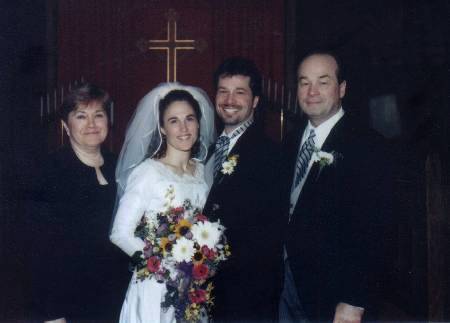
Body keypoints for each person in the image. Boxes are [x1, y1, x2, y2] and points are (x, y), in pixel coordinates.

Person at [280, 51, 392, 323]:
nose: (312, 91)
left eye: (323, 81)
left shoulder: (367, 145)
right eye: (304, 82)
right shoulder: (288, 141)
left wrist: (354, 300)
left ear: (342, 88)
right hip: (284, 286)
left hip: (333, 295)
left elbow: (376, 230)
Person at [110, 83, 216, 323]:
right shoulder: (148, 172)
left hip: (193, 286)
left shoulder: (202, 171)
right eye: (173, 121)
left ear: (199, 123)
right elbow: (120, 233)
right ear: (162, 128)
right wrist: (165, 267)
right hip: (155, 286)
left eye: (189, 119)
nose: (183, 128)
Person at [34, 83, 129, 322]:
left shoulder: (120, 165)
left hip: (118, 295)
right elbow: (42, 250)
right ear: (66, 126)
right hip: (71, 299)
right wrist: (52, 314)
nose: (91, 124)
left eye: (99, 115)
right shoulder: (50, 171)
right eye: (81, 116)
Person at [203, 57, 284, 322]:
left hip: (248, 296)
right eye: (223, 91)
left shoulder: (270, 154)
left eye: (240, 92)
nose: (229, 100)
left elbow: (267, 236)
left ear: (256, 101)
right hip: (210, 291)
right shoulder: (209, 151)